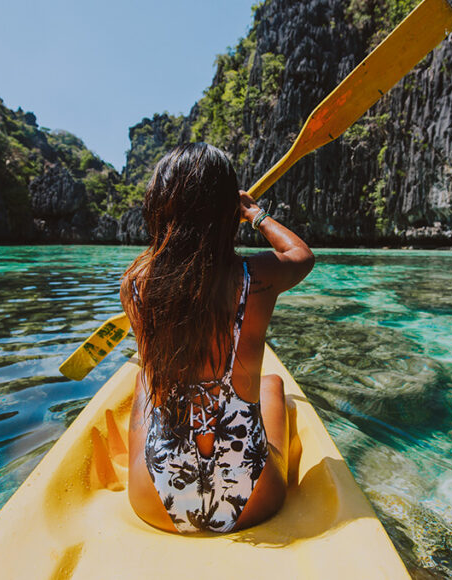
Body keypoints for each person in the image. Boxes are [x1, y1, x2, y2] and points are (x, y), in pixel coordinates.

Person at [121, 143, 314, 533]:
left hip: (155, 500)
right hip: (253, 499)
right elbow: (300, 254)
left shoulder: (136, 285)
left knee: (143, 388)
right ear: (228, 211)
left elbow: (169, 260)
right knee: (272, 384)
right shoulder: (256, 277)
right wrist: (253, 213)